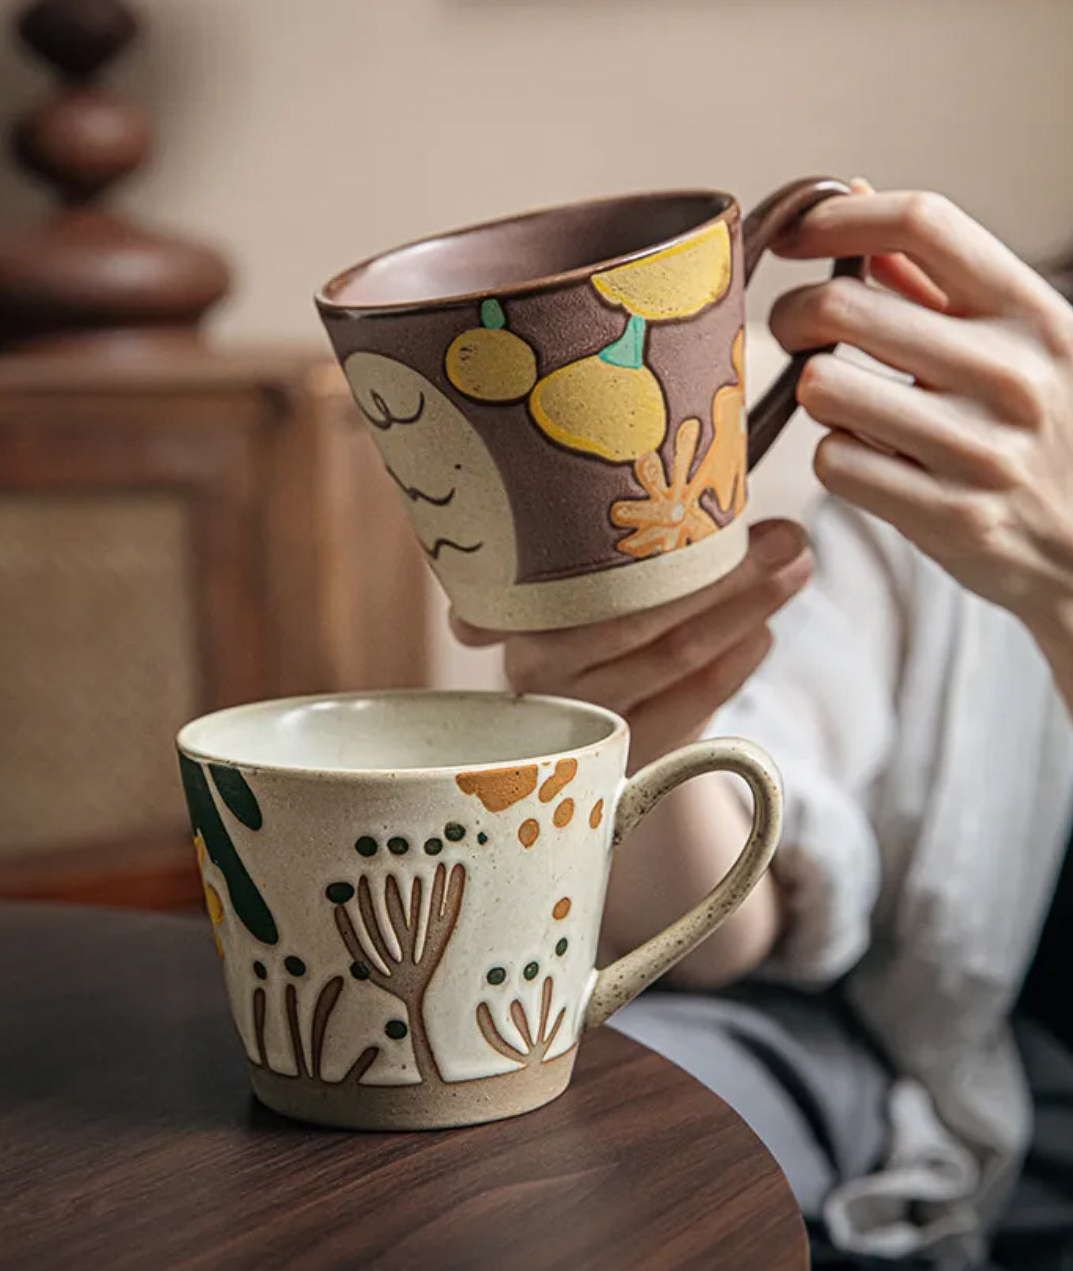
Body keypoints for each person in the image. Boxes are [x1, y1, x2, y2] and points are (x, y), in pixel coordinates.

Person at [454, 184, 1073, 1271]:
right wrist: (635, 715)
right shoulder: (996, 452)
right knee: (523, 1124)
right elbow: (740, 909)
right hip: (922, 1100)